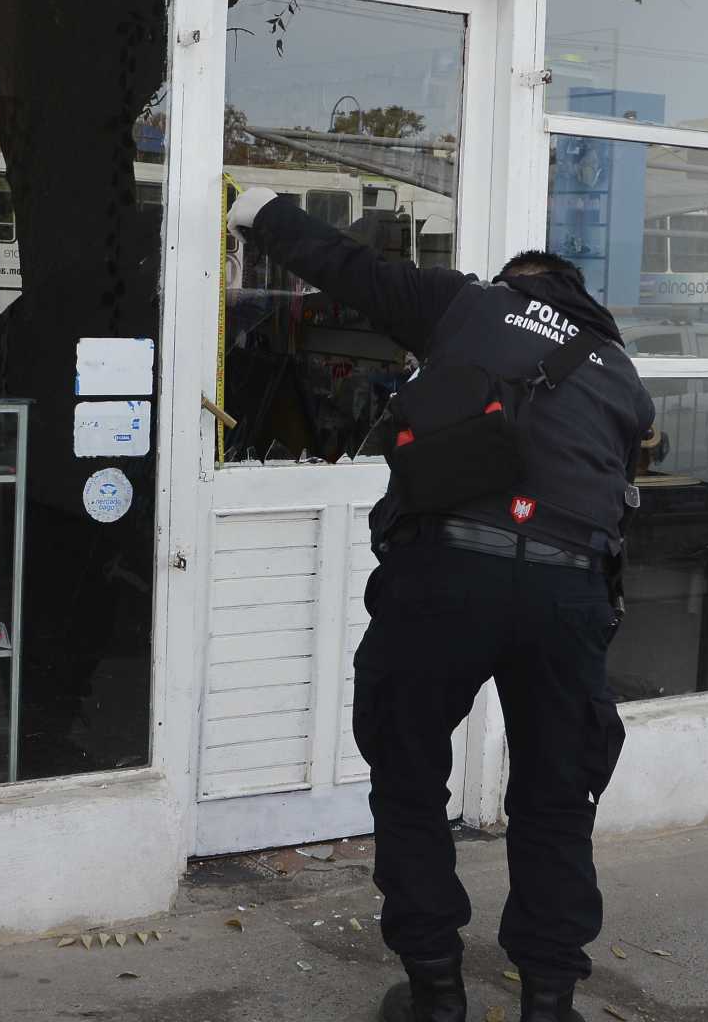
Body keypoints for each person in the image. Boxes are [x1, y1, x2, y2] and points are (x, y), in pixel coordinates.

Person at [226, 187, 655, 1022]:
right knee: (557, 795)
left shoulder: (468, 304)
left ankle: (434, 990)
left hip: (448, 577)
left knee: (411, 772)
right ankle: (549, 1000)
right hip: (570, 591)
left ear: (514, 284)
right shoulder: (617, 368)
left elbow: (346, 267)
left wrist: (259, 209)